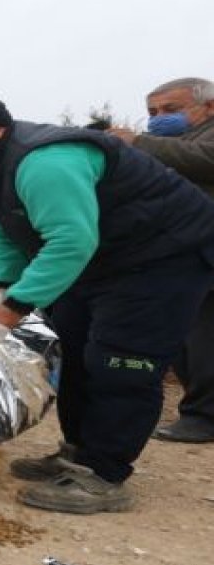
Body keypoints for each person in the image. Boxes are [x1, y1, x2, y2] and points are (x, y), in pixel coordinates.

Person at [0, 83, 214, 514]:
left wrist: (13, 309)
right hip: (105, 258)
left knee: (121, 360)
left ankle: (104, 476)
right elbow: (7, 230)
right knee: (75, 348)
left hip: (163, 254)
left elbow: (71, 241)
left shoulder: (45, 162)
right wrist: (4, 285)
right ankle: (77, 452)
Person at [105, 77, 214, 443]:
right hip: (185, 251)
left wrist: (138, 142)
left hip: (205, 249)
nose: (158, 118)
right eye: (152, 112)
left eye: (171, 109)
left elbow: (204, 161)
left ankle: (204, 416)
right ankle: (199, 410)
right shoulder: (176, 143)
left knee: (204, 336)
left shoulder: (199, 141)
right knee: (186, 335)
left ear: (209, 107)